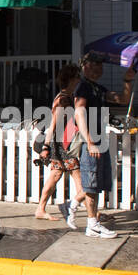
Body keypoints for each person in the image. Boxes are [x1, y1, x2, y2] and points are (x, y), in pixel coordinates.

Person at [68, 51, 134, 237]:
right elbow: (79, 113)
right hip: (91, 140)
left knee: (98, 183)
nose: (98, 68)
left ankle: (76, 210)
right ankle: (92, 224)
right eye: (94, 64)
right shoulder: (82, 87)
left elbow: (123, 99)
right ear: (85, 66)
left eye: (100, 65)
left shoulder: (97, 88)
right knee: (91, 183)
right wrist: (89, 141)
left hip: (100, 139)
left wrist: (127, 81)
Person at [34, 64, 85, 220]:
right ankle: (91, 212)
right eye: (77, 77)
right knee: (79, 178)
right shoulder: (63, 99)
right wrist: (46, 146)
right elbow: (53, 124)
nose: (79, 80)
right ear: (70, 79)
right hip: (64, 145)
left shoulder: (69, 97)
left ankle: (40, 209)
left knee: (55, 176)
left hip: (64, 144)